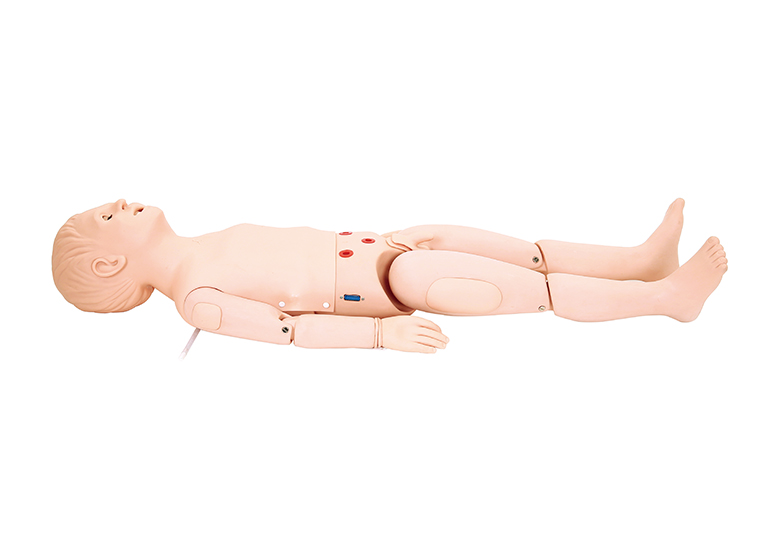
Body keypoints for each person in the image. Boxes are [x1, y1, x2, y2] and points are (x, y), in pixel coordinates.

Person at [52, 198, 727, 353]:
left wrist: (387, 241)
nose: (121, 202)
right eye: (109, 216)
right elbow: (289, 330)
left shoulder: (206, 242)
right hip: (387, 286)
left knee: (524, 254)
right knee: (536, 292)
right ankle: (667, 298)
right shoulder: (199, 300)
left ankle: (639, 263)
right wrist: (380, 335)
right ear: (111, 264)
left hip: (382, 245)